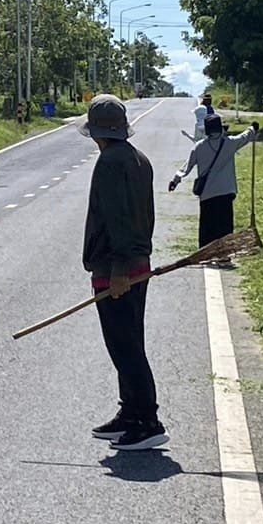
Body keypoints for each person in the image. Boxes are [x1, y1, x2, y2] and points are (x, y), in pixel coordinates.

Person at [80, 93, 168, 452]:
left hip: (117, 270)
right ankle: (130, 412)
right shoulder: (138, 158)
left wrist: (118, 270)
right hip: (136, 266)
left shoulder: (110, 163)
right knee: (128, 343)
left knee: (125, 348)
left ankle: (147, 420)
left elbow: (119, 221)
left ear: (96, 131)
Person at [169, 113, 257, 246]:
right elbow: (245, 137)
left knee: (207, 232)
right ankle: (224, 253)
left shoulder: (199, 146)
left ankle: (205, 254)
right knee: (225, 231)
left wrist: (175, 181)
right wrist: (253, 128)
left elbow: (186, 167)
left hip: (207, 196)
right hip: (226, 194)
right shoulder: (230, 143)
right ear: (220, 129)